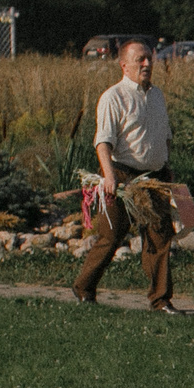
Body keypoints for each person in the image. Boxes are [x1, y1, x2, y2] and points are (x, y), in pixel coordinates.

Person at [75, 39, 181, 313]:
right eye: (140, 60)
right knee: (111, 235)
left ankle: (161, 301)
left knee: (159, 237)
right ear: (124, 65)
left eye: (149, 58)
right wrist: (109, 178)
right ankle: (84, 288)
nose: (147, 64)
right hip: (122, 175)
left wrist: (167, 167)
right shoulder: (114, 97)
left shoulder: (157, 96)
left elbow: (165, 136)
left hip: (154, 177)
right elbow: (103, 142)